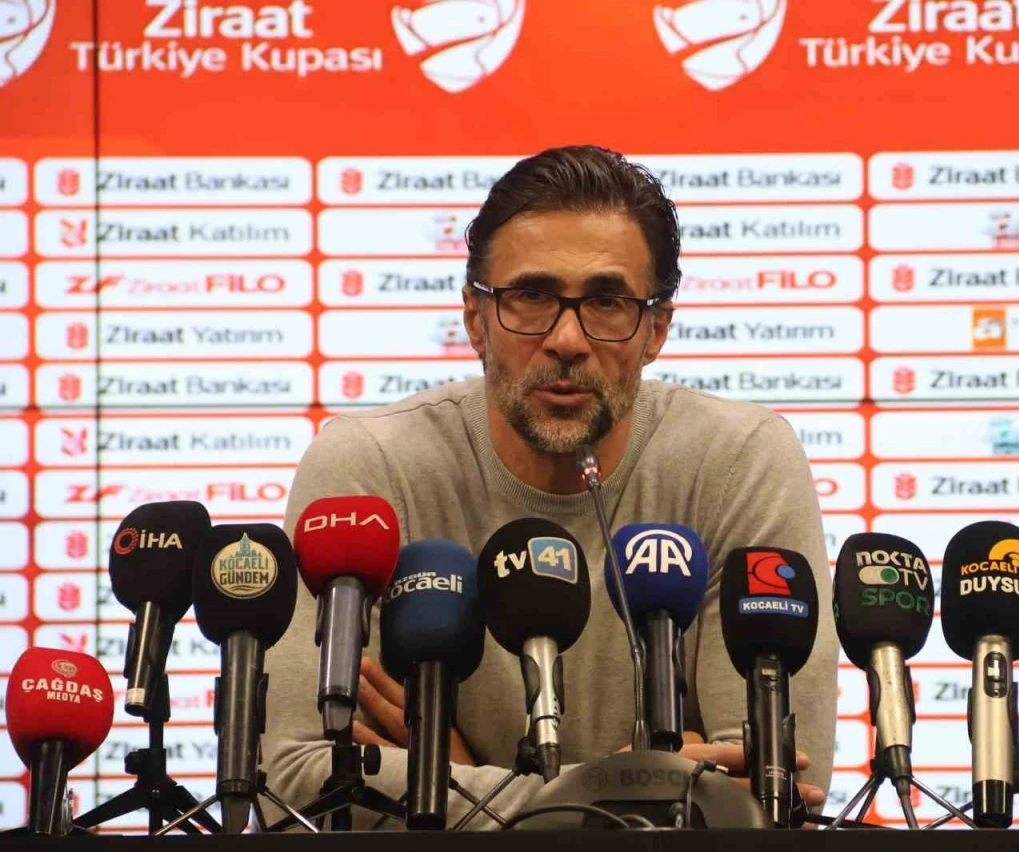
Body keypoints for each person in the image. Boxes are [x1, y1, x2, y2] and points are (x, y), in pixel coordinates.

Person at [262, 145, 838, 830]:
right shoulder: (369, 467)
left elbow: (772, 794)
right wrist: (615, 791)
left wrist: (448, 784)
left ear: (656, 329)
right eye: (531, 297)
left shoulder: (739, 462)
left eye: (607, 301)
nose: (567, 338)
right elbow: (291, 786)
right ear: (475, 318)